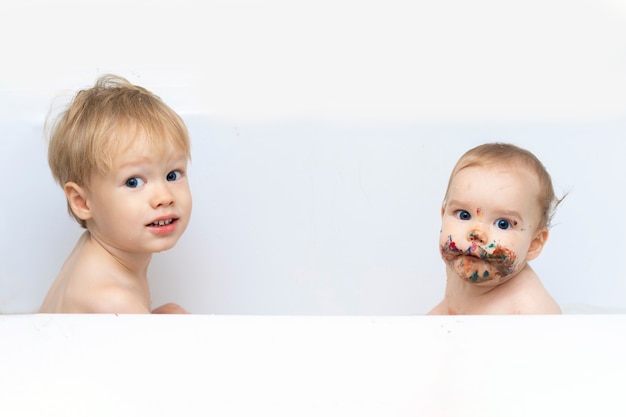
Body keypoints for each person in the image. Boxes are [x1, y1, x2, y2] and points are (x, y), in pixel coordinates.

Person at [39, 74, 192, 314]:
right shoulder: (113, 300)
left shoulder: (96, 252)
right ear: (82, 201)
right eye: (133, 182)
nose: (165, 196)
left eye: (172, 175)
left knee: (172, 312)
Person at [428, 142, 563, 315]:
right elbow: (448, 309)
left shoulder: (530, 308)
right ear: (443, 214)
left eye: (503, 224)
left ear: (533, 243)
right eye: (464, 215)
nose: (476, 234)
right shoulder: (461, 265)